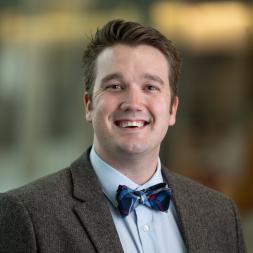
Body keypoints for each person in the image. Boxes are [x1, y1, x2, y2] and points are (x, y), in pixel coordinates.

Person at [0, 19, 246, 253]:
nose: (133, 103)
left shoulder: (220, 215)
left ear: (172, 109)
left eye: (150, 87)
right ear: (88, 105)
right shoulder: (26, 214)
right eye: (115, 86)